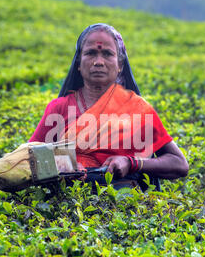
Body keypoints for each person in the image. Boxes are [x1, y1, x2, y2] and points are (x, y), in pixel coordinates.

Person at [29, 23, 188, 190]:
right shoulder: (59, 108)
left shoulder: (138, 110)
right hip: (68, 206)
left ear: (120, 65)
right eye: (90, 53)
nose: (98, 62)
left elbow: (179, 164)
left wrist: (131, 163)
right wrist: (65, 164)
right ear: (78, 63)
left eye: (107, 54)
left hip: (125, 206)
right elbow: (29, 159)